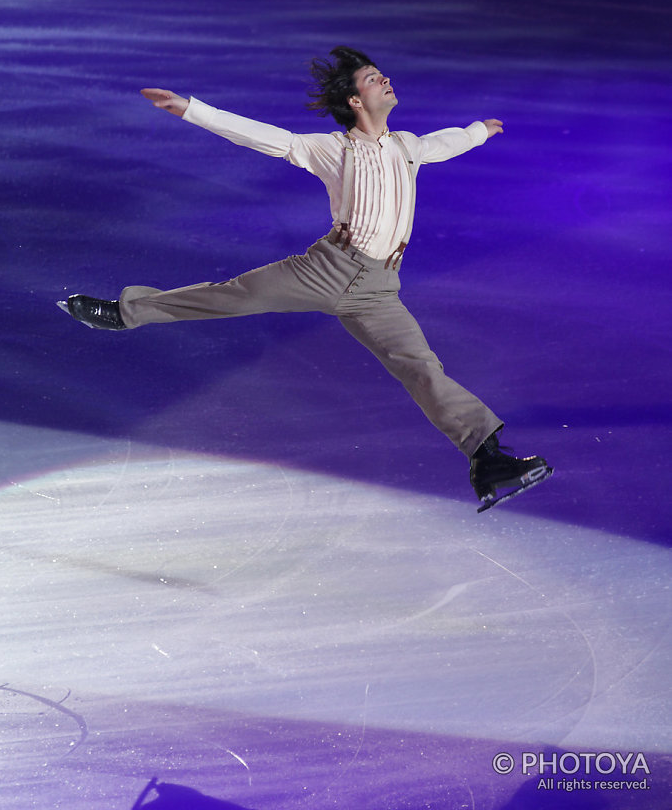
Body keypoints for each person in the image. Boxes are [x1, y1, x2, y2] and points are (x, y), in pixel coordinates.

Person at [58, 46, 551, 510]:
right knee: (230, 297)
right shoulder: (332, 149)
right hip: (327, 269)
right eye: (373, 79)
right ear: (356, 100)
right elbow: (269, 138)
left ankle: (486, 462)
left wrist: (480, 131)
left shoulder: (407, 147)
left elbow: (447, 142)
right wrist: (193, 110)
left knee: (422, 367)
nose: (385, 80)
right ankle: (124, 313)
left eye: (382, 75)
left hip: (379, 289)